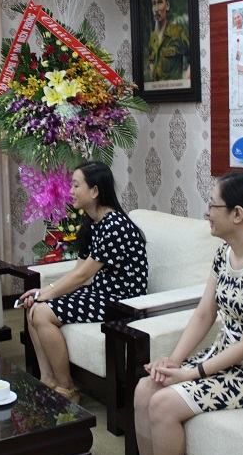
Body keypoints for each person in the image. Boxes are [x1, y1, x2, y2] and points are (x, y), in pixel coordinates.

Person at [133, 171, 243, 455]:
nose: (207, 212)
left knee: (162, 404)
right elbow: (204, 314)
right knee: (144, 388)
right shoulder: (225, 253)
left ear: (237, 214)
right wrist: (174, 361)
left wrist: (192, 373)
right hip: (225, 359)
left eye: (213, 205)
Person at [17, 161, 148, 403]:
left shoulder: (114, 224)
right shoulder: (92, 222)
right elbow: (77, 271)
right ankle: (48, 380)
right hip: (101, 294)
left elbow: (83, 275)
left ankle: (68, 388)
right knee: (33, 306)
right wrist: (42, 291)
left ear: (95, 190)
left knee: (42, 312)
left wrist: (48, 294)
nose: (71, 191)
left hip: (122, 302)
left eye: (76, 185)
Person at [147, 0, 190, 82]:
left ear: (167, 5)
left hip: (175, 90)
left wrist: (184, 82)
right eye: (154, 3)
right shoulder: (153, 37)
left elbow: (194, 57)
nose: (156, 9)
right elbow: (151, 62)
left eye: (159, 2)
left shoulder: (177, 32)